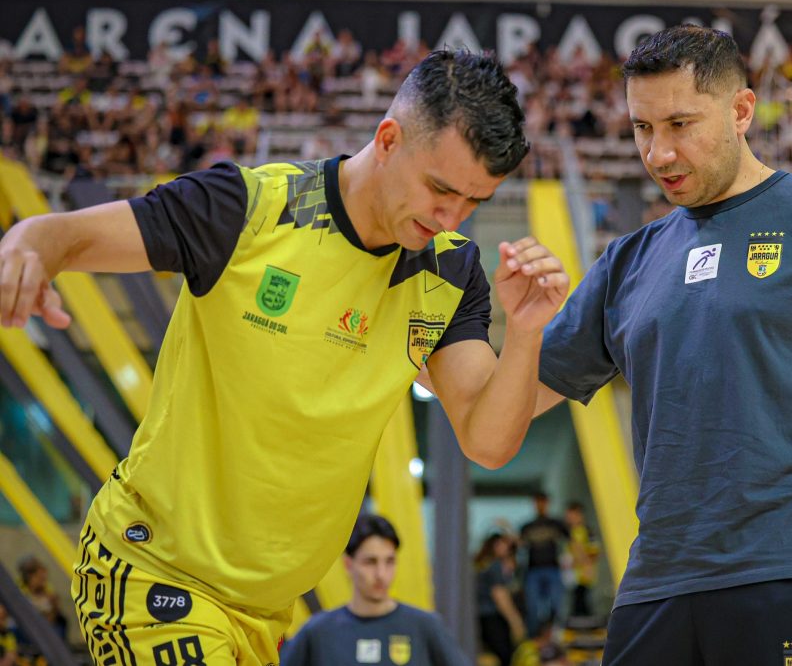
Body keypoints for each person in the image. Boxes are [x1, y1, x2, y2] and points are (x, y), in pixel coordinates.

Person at [0, 49, 568, 665]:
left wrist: (530, 329)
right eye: (439, 189)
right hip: (154, 573)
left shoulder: (452, 271)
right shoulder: (248, 208)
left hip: (265, 614)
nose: (449, 216)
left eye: (472, 202)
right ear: (387, 139)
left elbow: (487, 438)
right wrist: (29, 245)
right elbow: (70, 234)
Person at [531, 25, 792, 665]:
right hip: (654, 586)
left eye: (680, 124)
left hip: (791, 571)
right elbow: (506, 405)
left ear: (742, 111)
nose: (658, 153)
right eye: (643, 128)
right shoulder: (627, 261)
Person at [281, 513, 469, 666]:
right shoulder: (317, 632)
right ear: (348, 565)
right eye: (370, 562)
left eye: (389, 561)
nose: (381, 574)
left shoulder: (425, 626)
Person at [518, 492, 570, 636]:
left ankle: (556, 635)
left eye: (543, 502)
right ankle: (534, 638)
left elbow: (571, 541)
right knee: (533, 607)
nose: (540, 506)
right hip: (533, 569)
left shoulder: (556, 524)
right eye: (537, 502)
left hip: (553, 568)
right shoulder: (527, 527)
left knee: (557, 605)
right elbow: (519, 546)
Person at [474, 532, 525, 666]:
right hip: (493, 616)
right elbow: (500, 595)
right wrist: (515, 622)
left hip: (481, 616)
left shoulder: (482, 564)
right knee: (505, 656)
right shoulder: (495, 566)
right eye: (503, 544)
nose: (507, 548)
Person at [564, 501, 598, 618]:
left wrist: (582, 562)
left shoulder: (587, 531)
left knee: (583, 600)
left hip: (583, 574)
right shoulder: (567, 532)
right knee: (574, 601)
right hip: (571, 574)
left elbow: (594, 553)